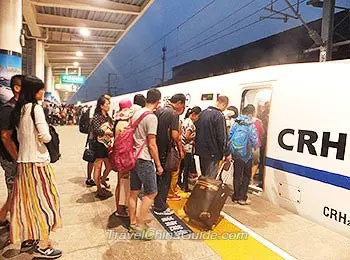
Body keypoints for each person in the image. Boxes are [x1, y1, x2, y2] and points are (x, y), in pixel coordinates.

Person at [11, 75, 62, 258]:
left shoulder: (20, 109)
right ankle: (43, 244)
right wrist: (44, 136)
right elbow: (46, 136)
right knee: (46, 202)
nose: (42, 92)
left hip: (23, 164)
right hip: (38, 163)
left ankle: (28, 240)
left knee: (27, 203)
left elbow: (19, 138)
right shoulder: (36, 109)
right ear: (34, 91)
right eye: (40, 89)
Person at [128, 88, 163, 239]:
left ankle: (132, 223)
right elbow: (152, 144)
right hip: (144, 159)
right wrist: (158, 164)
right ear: (158, 102)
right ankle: (141, 226)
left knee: (134, 192)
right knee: (151, 193)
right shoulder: (151, 117)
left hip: (133, 157)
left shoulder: (136, 112)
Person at [153, 94, 185, 214]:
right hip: (166, 150)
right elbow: (174, 135)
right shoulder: (173, 114)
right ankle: (160, 206)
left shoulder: (158, 111)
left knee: (158, 178)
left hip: (156, 149)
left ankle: (157, 201)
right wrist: (180, 148)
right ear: (179, 103)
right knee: (166, 179)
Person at [229, 104, 258, 205]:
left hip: (236, 153)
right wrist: (255, 147)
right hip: (247, 155)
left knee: (237, 175)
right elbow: (254, 139)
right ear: (251, 113)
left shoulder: (236, 122)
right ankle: (242, 198)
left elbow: (230, 135)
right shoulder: (251, 125)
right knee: (246, 175)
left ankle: (235, 196)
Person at [195, 96, 230, 179]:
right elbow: (222, 137)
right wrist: (226, 152)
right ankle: (207, 192)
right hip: (213, 152)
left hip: (201, 151)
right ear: (224, 104)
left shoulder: (202, 113)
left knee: (203, 177)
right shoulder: (219, 116)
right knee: (210, 178)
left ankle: (202, 191)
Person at [113, 99, 134, 217]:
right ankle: (120, 209)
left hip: (119, 156)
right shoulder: (124, 125)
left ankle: (120, 207)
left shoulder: (118, 123)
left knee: (121, 182)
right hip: (124, 157)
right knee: (122, 182)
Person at [89, 95, 113, 198]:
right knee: (98, 167)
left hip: (106, 145)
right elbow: (96, 131)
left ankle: (102, 180)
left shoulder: (107, 117)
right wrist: (106, 131)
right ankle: (98, 189)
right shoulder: (96, 117)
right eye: (107, 104)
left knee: (109, 166)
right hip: (98, 145)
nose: (109, 106)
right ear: (101, 106)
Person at [177, 106, 201, 192]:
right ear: (194, 114)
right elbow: (187, 136)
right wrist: (193, 137)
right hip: (187, 148)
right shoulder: (190, 124)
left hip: (183, 147)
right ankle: (185, 186)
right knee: (186, 169)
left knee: (181, 168)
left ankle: (179, 183)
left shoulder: (185, 121)